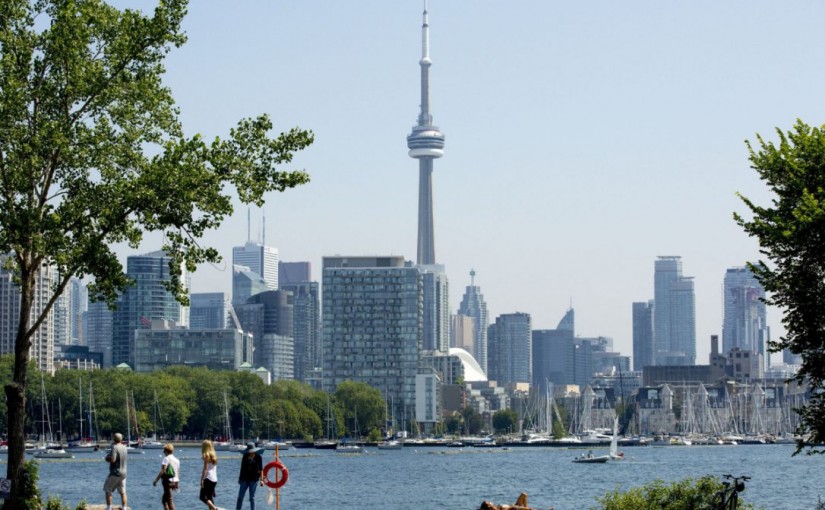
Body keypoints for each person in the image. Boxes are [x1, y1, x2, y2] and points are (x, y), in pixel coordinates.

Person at [103, 432, 128, 510]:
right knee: (123, 492)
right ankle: (124, 508)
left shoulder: (114, 447)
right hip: (124, 473)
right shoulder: (125, 447)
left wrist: (107, 458)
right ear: (121, 439)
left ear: (114, 439)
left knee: (107, 489)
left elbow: (113, 459)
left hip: (115, 472)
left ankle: (109, 508)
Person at [236, 442, 264, 510]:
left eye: (251, 451)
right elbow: (242, 468)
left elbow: (261, 469)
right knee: (240, 497)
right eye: (249, 451)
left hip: (254, 480)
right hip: (244, 479)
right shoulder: (245, 456)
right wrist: (240, 479)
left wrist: (261, 480)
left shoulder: (258, 457)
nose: (250, 452)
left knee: (252, 498)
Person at [152, 443, 180, 510]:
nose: (163, 452)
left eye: (164, 451)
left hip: (168, 482)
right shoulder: (177, 460)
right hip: (175, 481)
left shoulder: (166, 458)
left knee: (170, 500)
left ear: (166, 451)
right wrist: (177, 483)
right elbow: (178, 472)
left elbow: (163, 470)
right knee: (164, 500)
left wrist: (156, 480)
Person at [200, 439, 221, 510]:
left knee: (202, 497)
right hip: (214, 479)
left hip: (208, 478)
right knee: (209, 497)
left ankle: (215, 508)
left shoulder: (206, 455)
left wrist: (202, 479)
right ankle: (213, 508)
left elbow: (205, 469)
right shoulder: (214, 456)